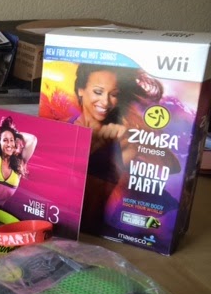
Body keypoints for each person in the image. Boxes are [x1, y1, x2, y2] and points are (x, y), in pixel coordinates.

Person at [70, 64, 166, 230]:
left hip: (98, 229)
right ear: (81, 90)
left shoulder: (122, 137)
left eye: (113, 94)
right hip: (68, 225)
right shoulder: (65, 128)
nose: (106, 102)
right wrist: (92, 146)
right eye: (98, 92)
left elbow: (172, 165)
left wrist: (136, 139)